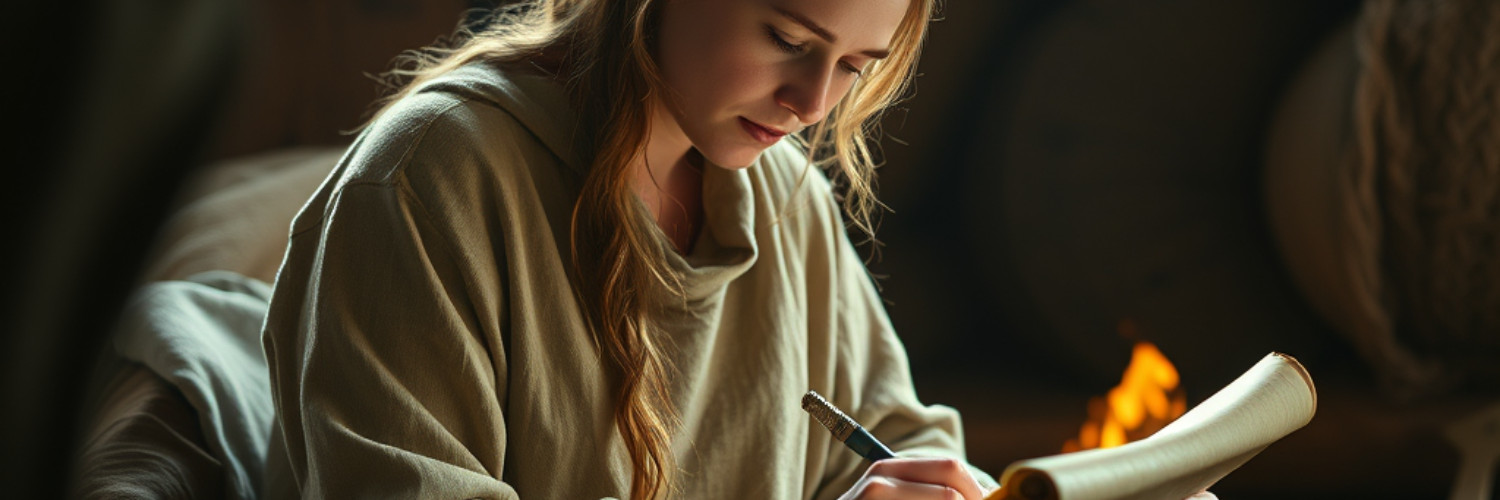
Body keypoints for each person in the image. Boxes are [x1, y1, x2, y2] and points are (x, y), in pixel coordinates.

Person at [259, 0, 1217, 498]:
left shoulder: (780, 192)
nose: (810, 105)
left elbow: (899, 437)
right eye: (787, 37)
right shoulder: (436, 181)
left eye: (852, 67)